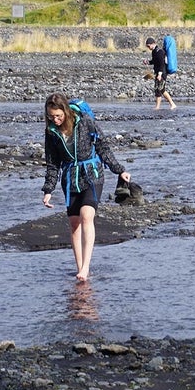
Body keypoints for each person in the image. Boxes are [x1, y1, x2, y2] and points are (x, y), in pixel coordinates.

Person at [41, 93, 131, 282]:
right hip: (70, 179)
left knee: (86, 215)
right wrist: (48, 190)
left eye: (58, 116)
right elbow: (52, 164)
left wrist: (119, 170)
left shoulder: (85, 122)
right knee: (74, 223)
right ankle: (81, 268)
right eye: (51, 116)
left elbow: (103, 147)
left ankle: (86, 266)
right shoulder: (51, 132)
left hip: (92, 174)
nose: (55, 120)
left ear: (65, 111)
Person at [144, 37, 177, 110]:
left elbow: (161, 64)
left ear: (153, 44)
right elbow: (154, 61)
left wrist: (159, 74)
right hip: (159, 73)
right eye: (147, 46)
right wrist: (148, 62)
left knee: (160, 89)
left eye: (148, 46)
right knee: (159, 90)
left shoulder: (160, 52)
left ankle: (169, 104)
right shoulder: (154, 51)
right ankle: (162, 106)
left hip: (162, 73)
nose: (148, 48)